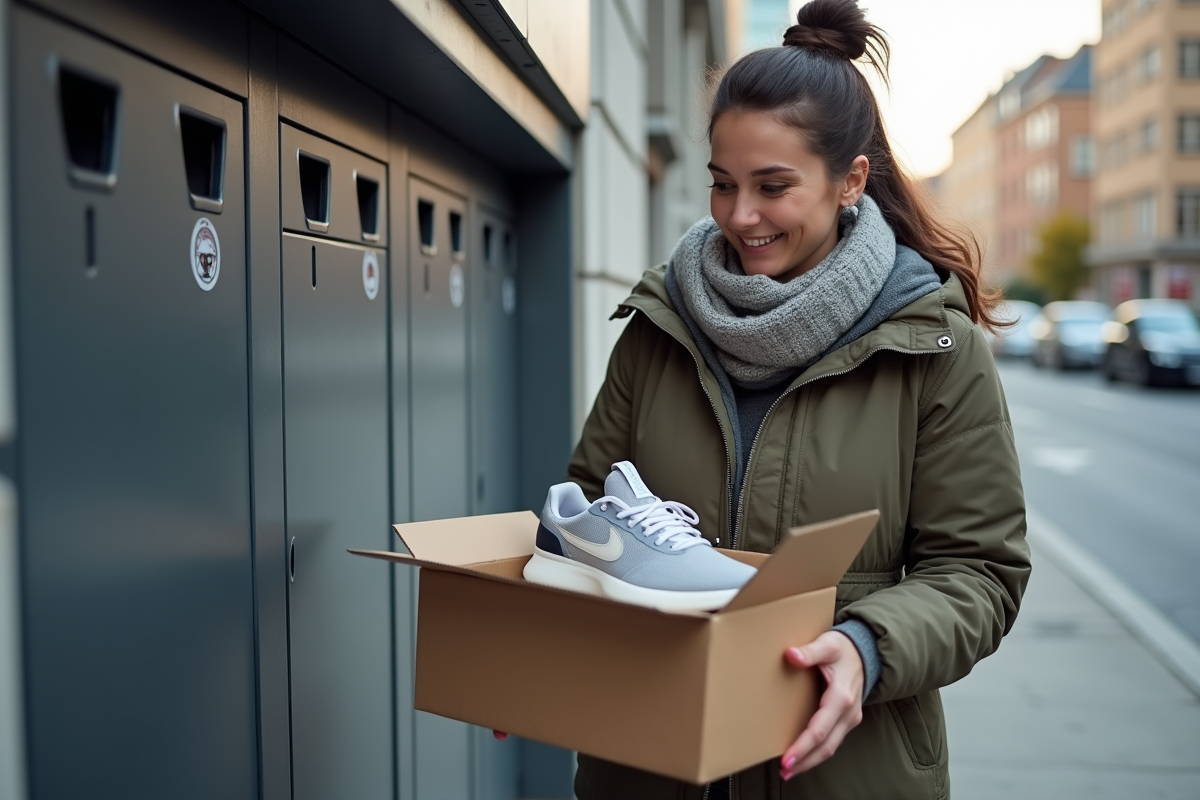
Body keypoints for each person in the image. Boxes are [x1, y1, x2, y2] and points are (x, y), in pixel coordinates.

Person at [562, 0, 1031, 797]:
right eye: (722, 184)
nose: (739, 216)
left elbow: (979, 571)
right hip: (650, 763)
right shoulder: (659, 323)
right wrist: (532, 647)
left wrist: (865, 646)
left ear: (850, 180)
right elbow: (585, 516)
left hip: (848, 771)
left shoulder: (932, 344)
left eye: (772, 187)